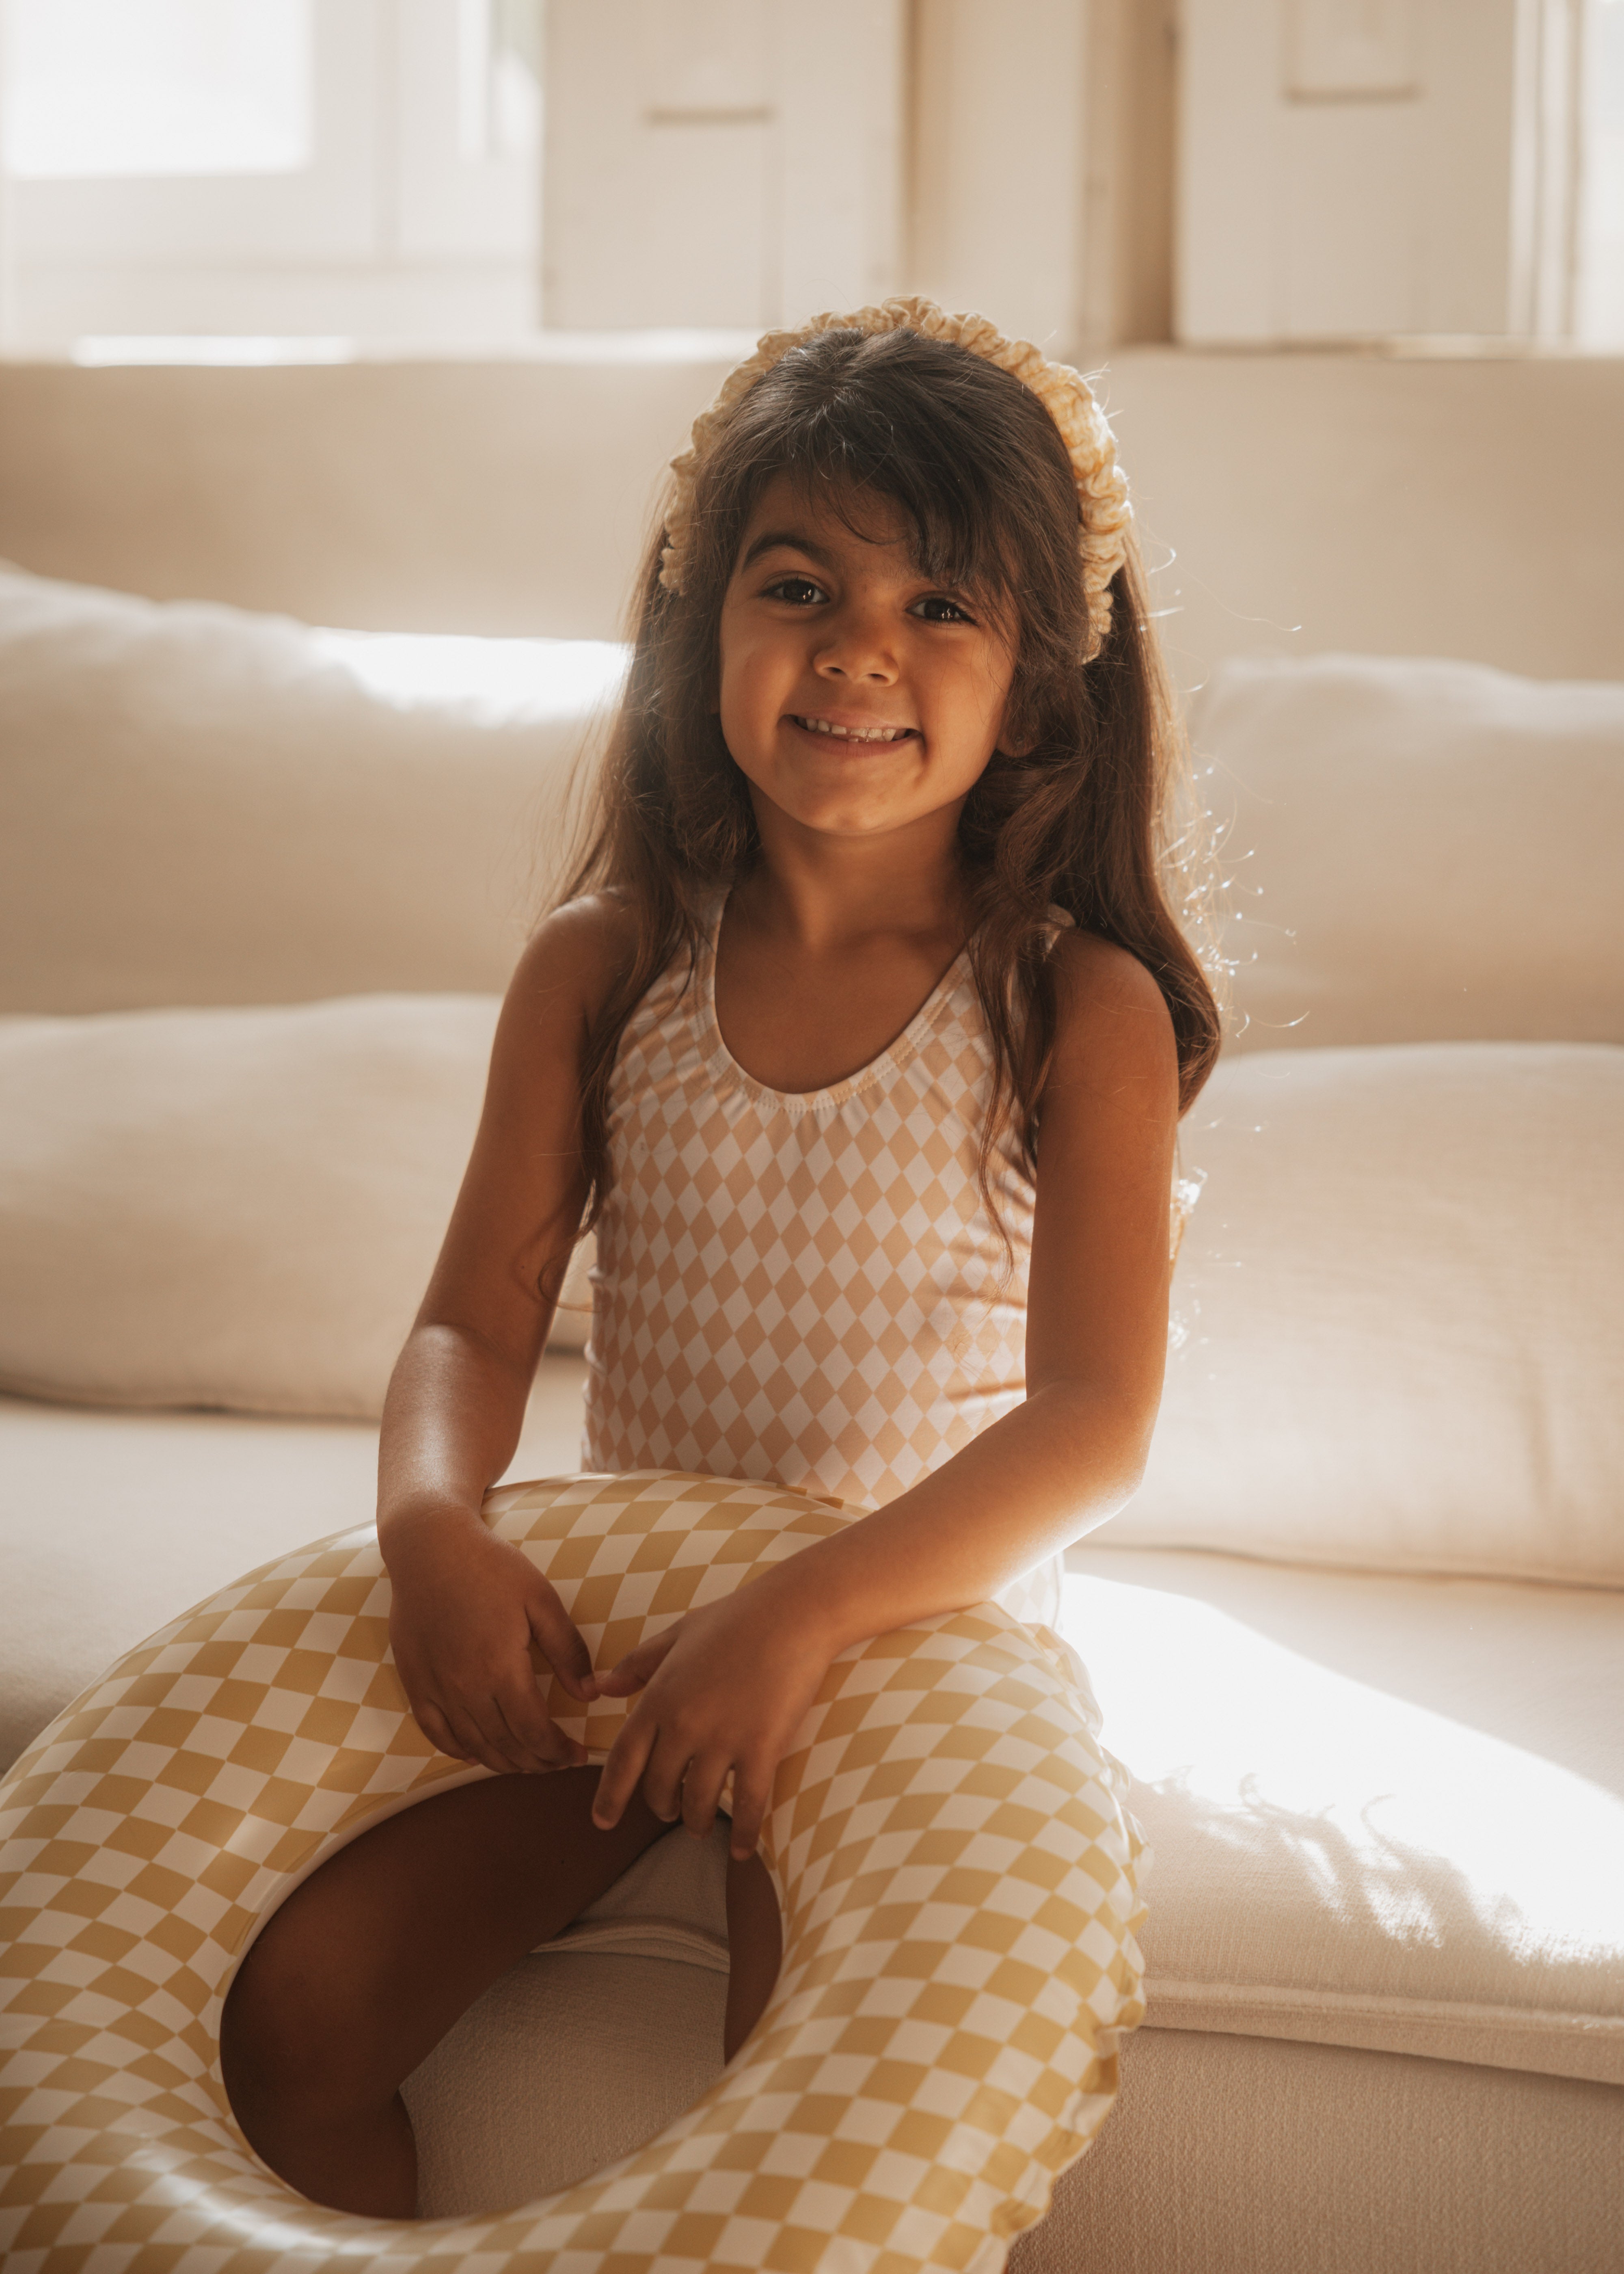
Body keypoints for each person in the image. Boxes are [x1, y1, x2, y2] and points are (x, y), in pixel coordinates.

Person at [221, 298, 1221, 2220]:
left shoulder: (1071, 1005)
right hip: (625, 1639)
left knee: (818, 2137)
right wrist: (430, 1522)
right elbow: (470, 1322)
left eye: (942, 603)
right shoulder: (604, 967)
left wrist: (798, 1616)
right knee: (300, 2016)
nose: (859, 647)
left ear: (1036, 685)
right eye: (800, 584)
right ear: (703, 625)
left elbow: (1095, 1420)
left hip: (905, 1649)